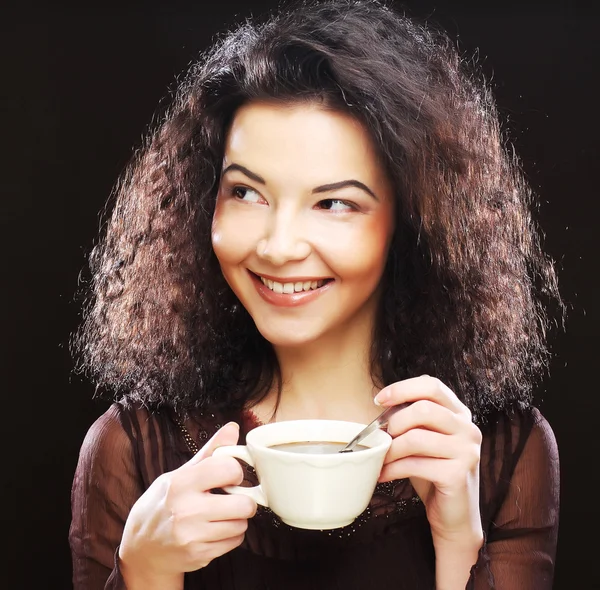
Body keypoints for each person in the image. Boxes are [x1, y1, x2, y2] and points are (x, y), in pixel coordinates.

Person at [68, 1, 563, 588]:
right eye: (247, 193)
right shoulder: (130, 447)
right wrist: (145, 571)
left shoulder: (501, 452)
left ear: (409, 221)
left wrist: (459, 547)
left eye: (334, 203)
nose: (278, 247)